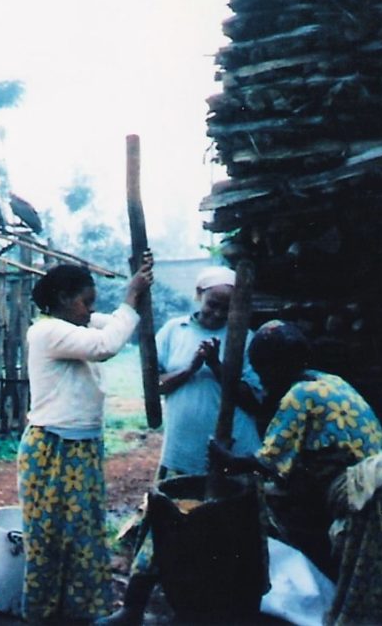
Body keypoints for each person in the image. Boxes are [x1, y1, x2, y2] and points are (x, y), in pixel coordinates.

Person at [209, 320, 382, 625]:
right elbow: (265, 411)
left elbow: (266, 462)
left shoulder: (299, 396)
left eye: (260, 370)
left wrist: (226, 458)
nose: (259, 378)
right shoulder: (329, 383)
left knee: (359, 604)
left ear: (275, 367)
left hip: (373, 507)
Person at [97, 265, 264, 625]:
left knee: (227, 534)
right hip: (181, 452)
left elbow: (254, 399)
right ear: (198, 296)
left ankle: (211, 611)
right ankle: (134, 607)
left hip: (230, 454)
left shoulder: (246, 338)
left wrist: (219, 366)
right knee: (166, 526)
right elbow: (154, 383)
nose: (218, 313)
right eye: (212, 304)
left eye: (226, 308)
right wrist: (192, 367)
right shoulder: (175, 330)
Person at [18, 254, 154, 624]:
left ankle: (80, 613)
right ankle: (44, 615)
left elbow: (117, 327)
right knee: (48, 537)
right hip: (52, 447)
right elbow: (106, 346)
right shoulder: (46, 331)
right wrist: (130, 296)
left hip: (81, 446)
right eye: (85, 302)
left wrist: (137, 297)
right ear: (62, 298)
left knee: (83, 536)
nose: (90, 310)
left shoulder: (76, 322)